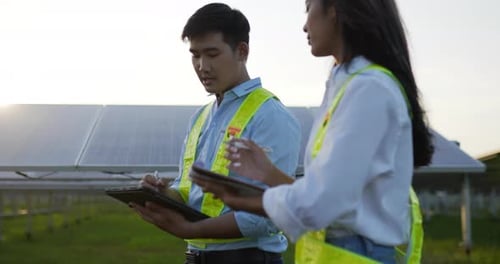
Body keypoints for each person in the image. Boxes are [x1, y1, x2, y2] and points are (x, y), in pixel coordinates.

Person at [193, 0, 434, 263]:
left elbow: (322, 204)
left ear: (335, 10)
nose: (305, 24)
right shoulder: (347, 85)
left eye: (309, 8)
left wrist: (244, 201)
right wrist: (269, 174)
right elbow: (331, 192)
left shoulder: (369, 89)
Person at [130, 3, 301, 264]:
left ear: (242, 51)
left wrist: (190, 230)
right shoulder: (200, 117)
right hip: (197, 257)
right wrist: (162, 194)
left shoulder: (270, 115)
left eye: (212, 54)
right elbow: (188, 191)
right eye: (195, 55)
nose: (202, 66)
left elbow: (265, 215)